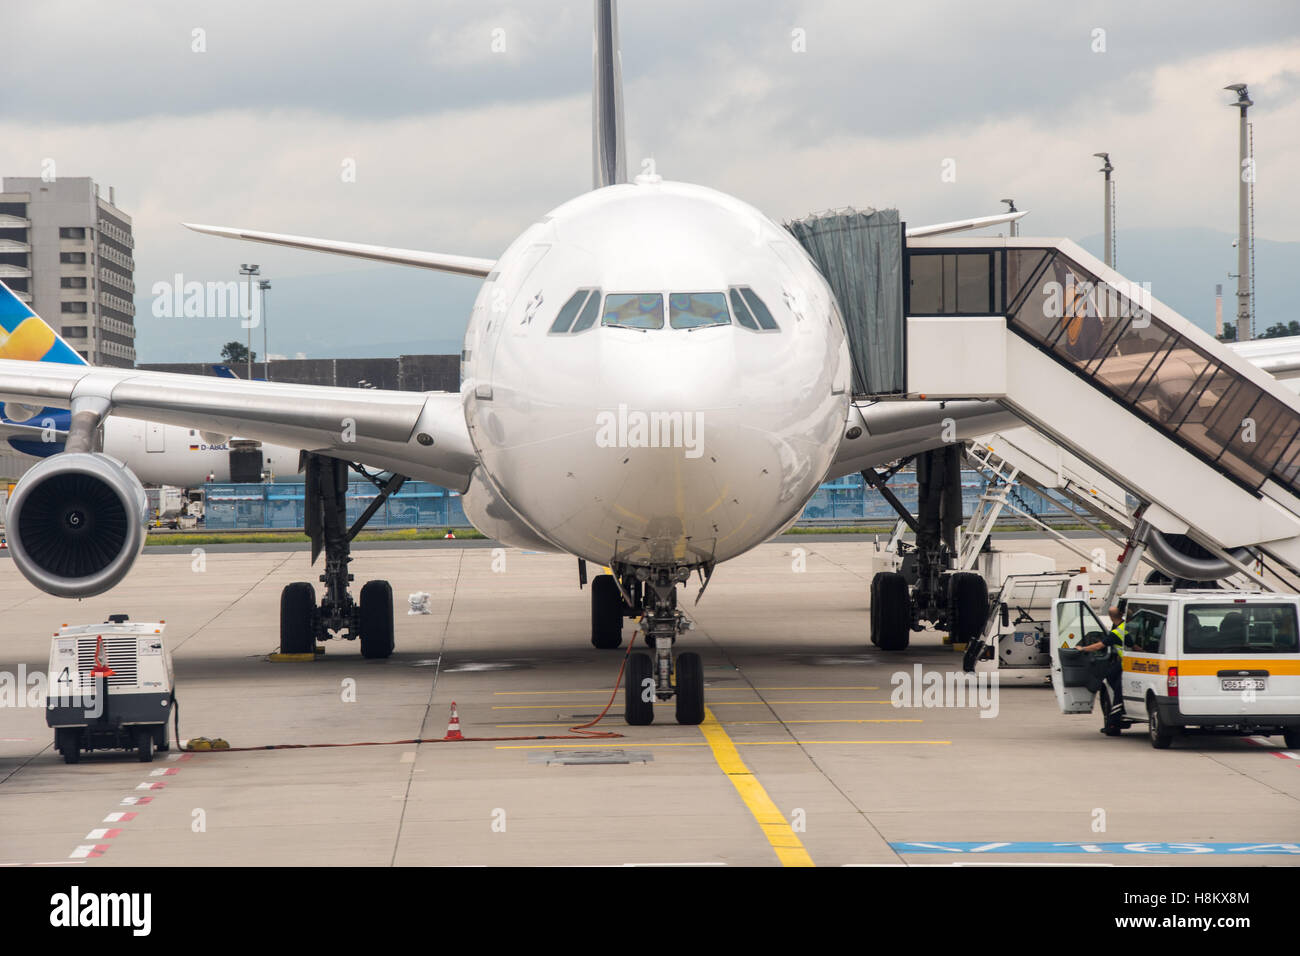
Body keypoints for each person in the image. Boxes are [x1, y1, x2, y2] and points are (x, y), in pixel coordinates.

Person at [1078, 605, 1126, 731]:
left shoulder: (1116, 633)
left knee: (1115, 689)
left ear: (1111, 617)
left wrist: (1083, 648)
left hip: (1125, 664)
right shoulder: (1125, 626)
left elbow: (1099, 646)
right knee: (1114, 683)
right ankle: (1115, 719)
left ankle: (1113, 723)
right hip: (1126, 663)